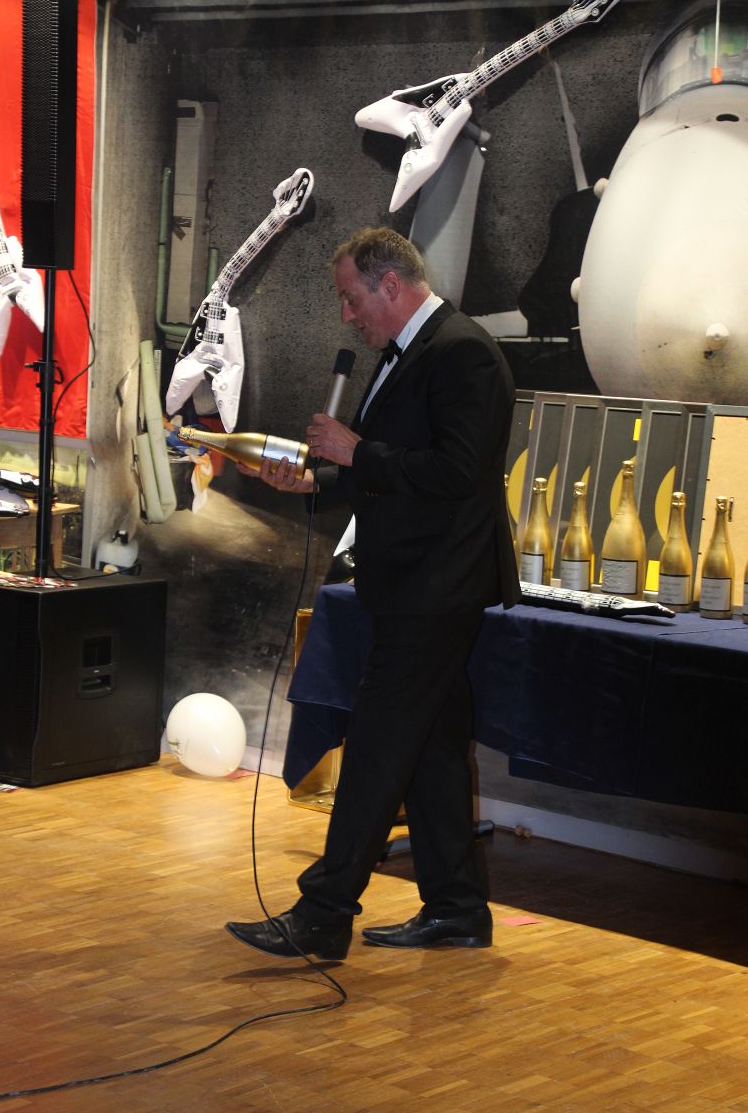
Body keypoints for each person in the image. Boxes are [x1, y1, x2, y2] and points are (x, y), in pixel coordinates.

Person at [226, 226, 520, 960]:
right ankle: (456, 908)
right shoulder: (409, 353)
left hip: (438, 586)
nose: (347, 315)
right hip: (411, 582)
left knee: (377, 748)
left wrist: (356, 450)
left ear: (391, 284)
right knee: (433, 749)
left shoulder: (465, 353)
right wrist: (314, 481)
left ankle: (325, 913)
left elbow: (459, 472)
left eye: (351, 298)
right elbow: (382, 473)